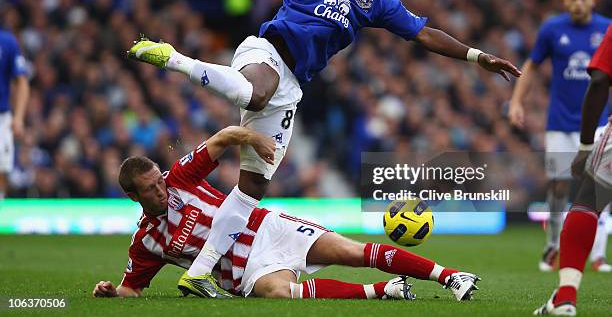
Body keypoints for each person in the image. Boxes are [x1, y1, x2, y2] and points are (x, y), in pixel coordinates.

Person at [127, 0, 519, 295]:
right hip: (267, 53)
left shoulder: (376, 1)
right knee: (254, 94)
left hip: (293, 85)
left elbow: (423, 34)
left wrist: (477, 56)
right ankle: (175, 59)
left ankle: (198, 273)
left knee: (254, 186)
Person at [92, 125, 480, 301]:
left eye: (159, 181)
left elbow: (224, 136)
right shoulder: (146, 242)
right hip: (244, 273)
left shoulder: (181, 177)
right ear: (132, 196)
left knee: (352, 253)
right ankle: (382, 291)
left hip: (267, 229)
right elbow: (133, 289)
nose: (161, 189)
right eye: (151, 189)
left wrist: (254, 137)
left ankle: (450, 276)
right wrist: (111, 292)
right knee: (276, 292)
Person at [509, 0, 611, 273]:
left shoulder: (607, 28)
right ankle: (553, 246)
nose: (578, 3)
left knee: (600, 188)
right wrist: (516, 101)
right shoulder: (552, 29)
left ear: (593, 0)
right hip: (559, 125)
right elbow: (531, 65)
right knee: (558, 187)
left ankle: (599, 255)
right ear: (565, 1)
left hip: (600, 124)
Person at [534, 25, 612, 316]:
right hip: (558, 123)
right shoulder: (555, 28)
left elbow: (601, 78)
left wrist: (586, 145)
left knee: (588, 201)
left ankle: (565, 296)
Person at [0, 27, 29, 200]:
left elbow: (22, 80)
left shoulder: (7, 41)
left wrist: (18, 117)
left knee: (1, 170)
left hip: (1, 117)